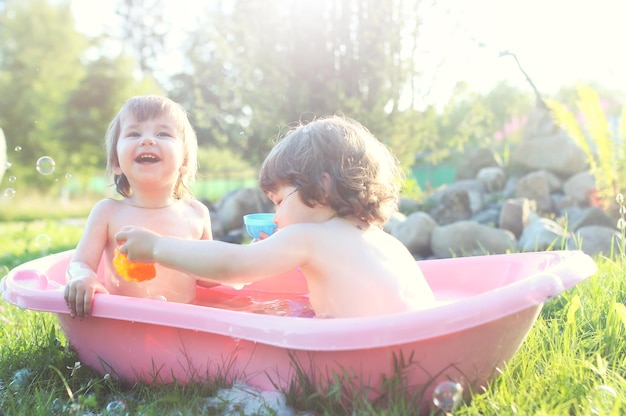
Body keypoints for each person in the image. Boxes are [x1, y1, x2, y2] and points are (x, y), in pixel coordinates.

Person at [115, 115, 434, 318]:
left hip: (360, 362)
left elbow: (232, 265)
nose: (276, 216)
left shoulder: (307, 237)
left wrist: (155, 248)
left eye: (279, 200)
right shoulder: (385, 241)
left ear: (321, 188)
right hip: (410, 349)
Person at [64, 95, 212, 319]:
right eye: (134, 133)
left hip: (186, 323)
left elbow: (209, 276)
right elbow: (80, 263)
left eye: (163, 133)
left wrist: (250, 255)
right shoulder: (108, 212)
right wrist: (83, 277)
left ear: (184, 162)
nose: (148, 140)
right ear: (116, 162)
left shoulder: (196, 213)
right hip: (125, 324)